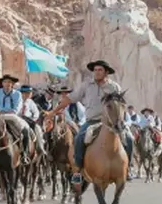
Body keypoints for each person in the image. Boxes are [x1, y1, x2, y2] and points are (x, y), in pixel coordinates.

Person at [48, 59, 134, 187]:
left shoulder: (114, 87)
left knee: (129, 138)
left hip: (111, 123)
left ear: (106, 73)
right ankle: (77, 171)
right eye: (95, 70)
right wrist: (53, 111)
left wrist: (121, 120)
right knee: (78, 139)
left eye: (100, 70)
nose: (97, 72)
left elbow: (120, 105)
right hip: (92, 121)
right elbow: (70, 99)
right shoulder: (86, 85)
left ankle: (127, 168)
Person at [0, 73, 32, 165]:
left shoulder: (17, 94)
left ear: (12, 84)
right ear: (2, 83)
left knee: (26, 129)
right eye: (5, 82)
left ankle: (24, 154)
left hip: (13, 116)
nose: (7, 84)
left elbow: (18, 107)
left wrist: (10, 112)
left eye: (9, 82)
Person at [18, 84, 47, 160]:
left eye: (30, 93)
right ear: (22, 93)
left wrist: (33, 120)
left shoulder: (30, 102)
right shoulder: (17, 100)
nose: (28, 94)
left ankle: (40, 147)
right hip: (18, 118)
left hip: (28, 119)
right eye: (26, 93)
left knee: (37, 128)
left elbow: (36, 113)